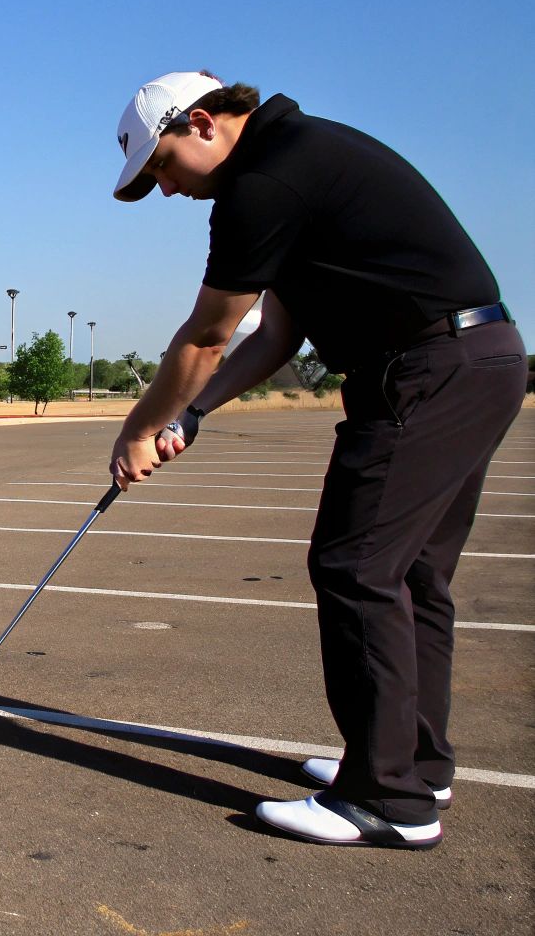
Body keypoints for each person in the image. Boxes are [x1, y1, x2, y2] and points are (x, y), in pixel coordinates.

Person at [106, 70, 523, 849]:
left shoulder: (262, 186)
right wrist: (192, 411)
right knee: (413, 577)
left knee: (356, 568)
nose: (163, 189)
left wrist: (139, 427)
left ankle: (387, 801)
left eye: (160, 166)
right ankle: (412, 765)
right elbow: (276, 338)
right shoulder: (298, 159)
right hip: (476, 358)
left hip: (429, 368)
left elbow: (206, 337)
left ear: (201, 123)